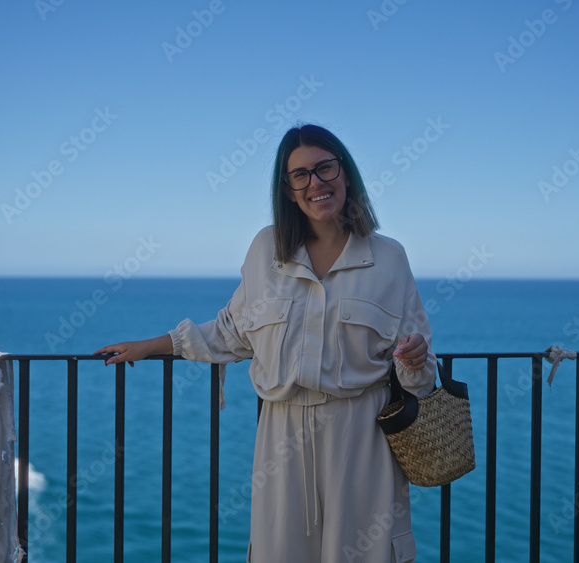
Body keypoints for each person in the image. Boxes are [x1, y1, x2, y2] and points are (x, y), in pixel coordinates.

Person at [95, 123, 437, 562]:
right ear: (289, 190)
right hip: (282, 439)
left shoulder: (389, 257)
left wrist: (415, 359)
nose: (315, 183)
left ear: (346, 173)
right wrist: (150, 346)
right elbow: (232, 330)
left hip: (362, 438)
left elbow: (420, 372)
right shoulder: (266, 249)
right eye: (300, 175)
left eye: (325, 168)